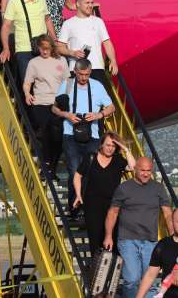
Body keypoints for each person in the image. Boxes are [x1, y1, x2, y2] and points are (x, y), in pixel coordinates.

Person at [104, 157, 173, 298]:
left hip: (150, 241)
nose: (145, 174)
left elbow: (167, 214)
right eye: (142, 170)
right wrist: (108, 236)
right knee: (132, 278)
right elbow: (113, 212)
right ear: (135, 169)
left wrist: (173, 236)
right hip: (127, 239)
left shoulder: (158, 188)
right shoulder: (124, 188)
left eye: (149, 170)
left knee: (150, 281)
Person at [50, 58, 115, 211]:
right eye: (81, 74)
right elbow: (54, 108)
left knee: (90, 172)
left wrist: (99, 115)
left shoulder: (97, 86)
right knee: (74, 171)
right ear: (75, 72)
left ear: (90, 72)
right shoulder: (67, 84)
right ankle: (74, 207)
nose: (84, 78)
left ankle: (87, 205)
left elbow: (111, 107)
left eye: (87, 74)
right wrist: (67, 115)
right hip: (70, 135)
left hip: (92, 136)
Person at [72, 131, 135, 263]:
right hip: (92, 206)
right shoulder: (91, 157)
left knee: (113, 240)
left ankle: (111, 269)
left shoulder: (118, 159)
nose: (110, 148)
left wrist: (125, 149)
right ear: (101, 144)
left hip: (113, 207)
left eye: (113, 146)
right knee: (95, 240)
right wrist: (78, 194)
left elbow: (132, 167)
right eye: (107, 145)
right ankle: (97, 269)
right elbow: (78, 175)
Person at [0, 0, 57, 86]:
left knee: (46, 83)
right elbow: (5, 26)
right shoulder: (14, 2)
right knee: (28, 84)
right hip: (24, 50)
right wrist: (6, 49)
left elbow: (47, 19)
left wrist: (54, 39)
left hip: (43, 48)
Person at [23, 34, 68, 173]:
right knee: (45, 135)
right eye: (42, 48)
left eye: (47, 48)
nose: (44, 51)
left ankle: (51, 167)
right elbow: (27, 83)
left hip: (57, 103)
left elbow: (68, 82)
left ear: (52, 47)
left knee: (57, 137)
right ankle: (47, 166)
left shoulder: (61, 60)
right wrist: (27, 94)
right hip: (40, 103)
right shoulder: (34, 63)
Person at [56, 0, 118, 87]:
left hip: (97, 68)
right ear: (78, 4)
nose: (90, 5)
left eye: (91, 3)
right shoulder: (68, 24)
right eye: (87, 3)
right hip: (76, 70)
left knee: (99, 96)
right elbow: (59, 47)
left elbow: (107, 43)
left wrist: (113, 61)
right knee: (75, 96)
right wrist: (72, 53)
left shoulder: (98, 22)